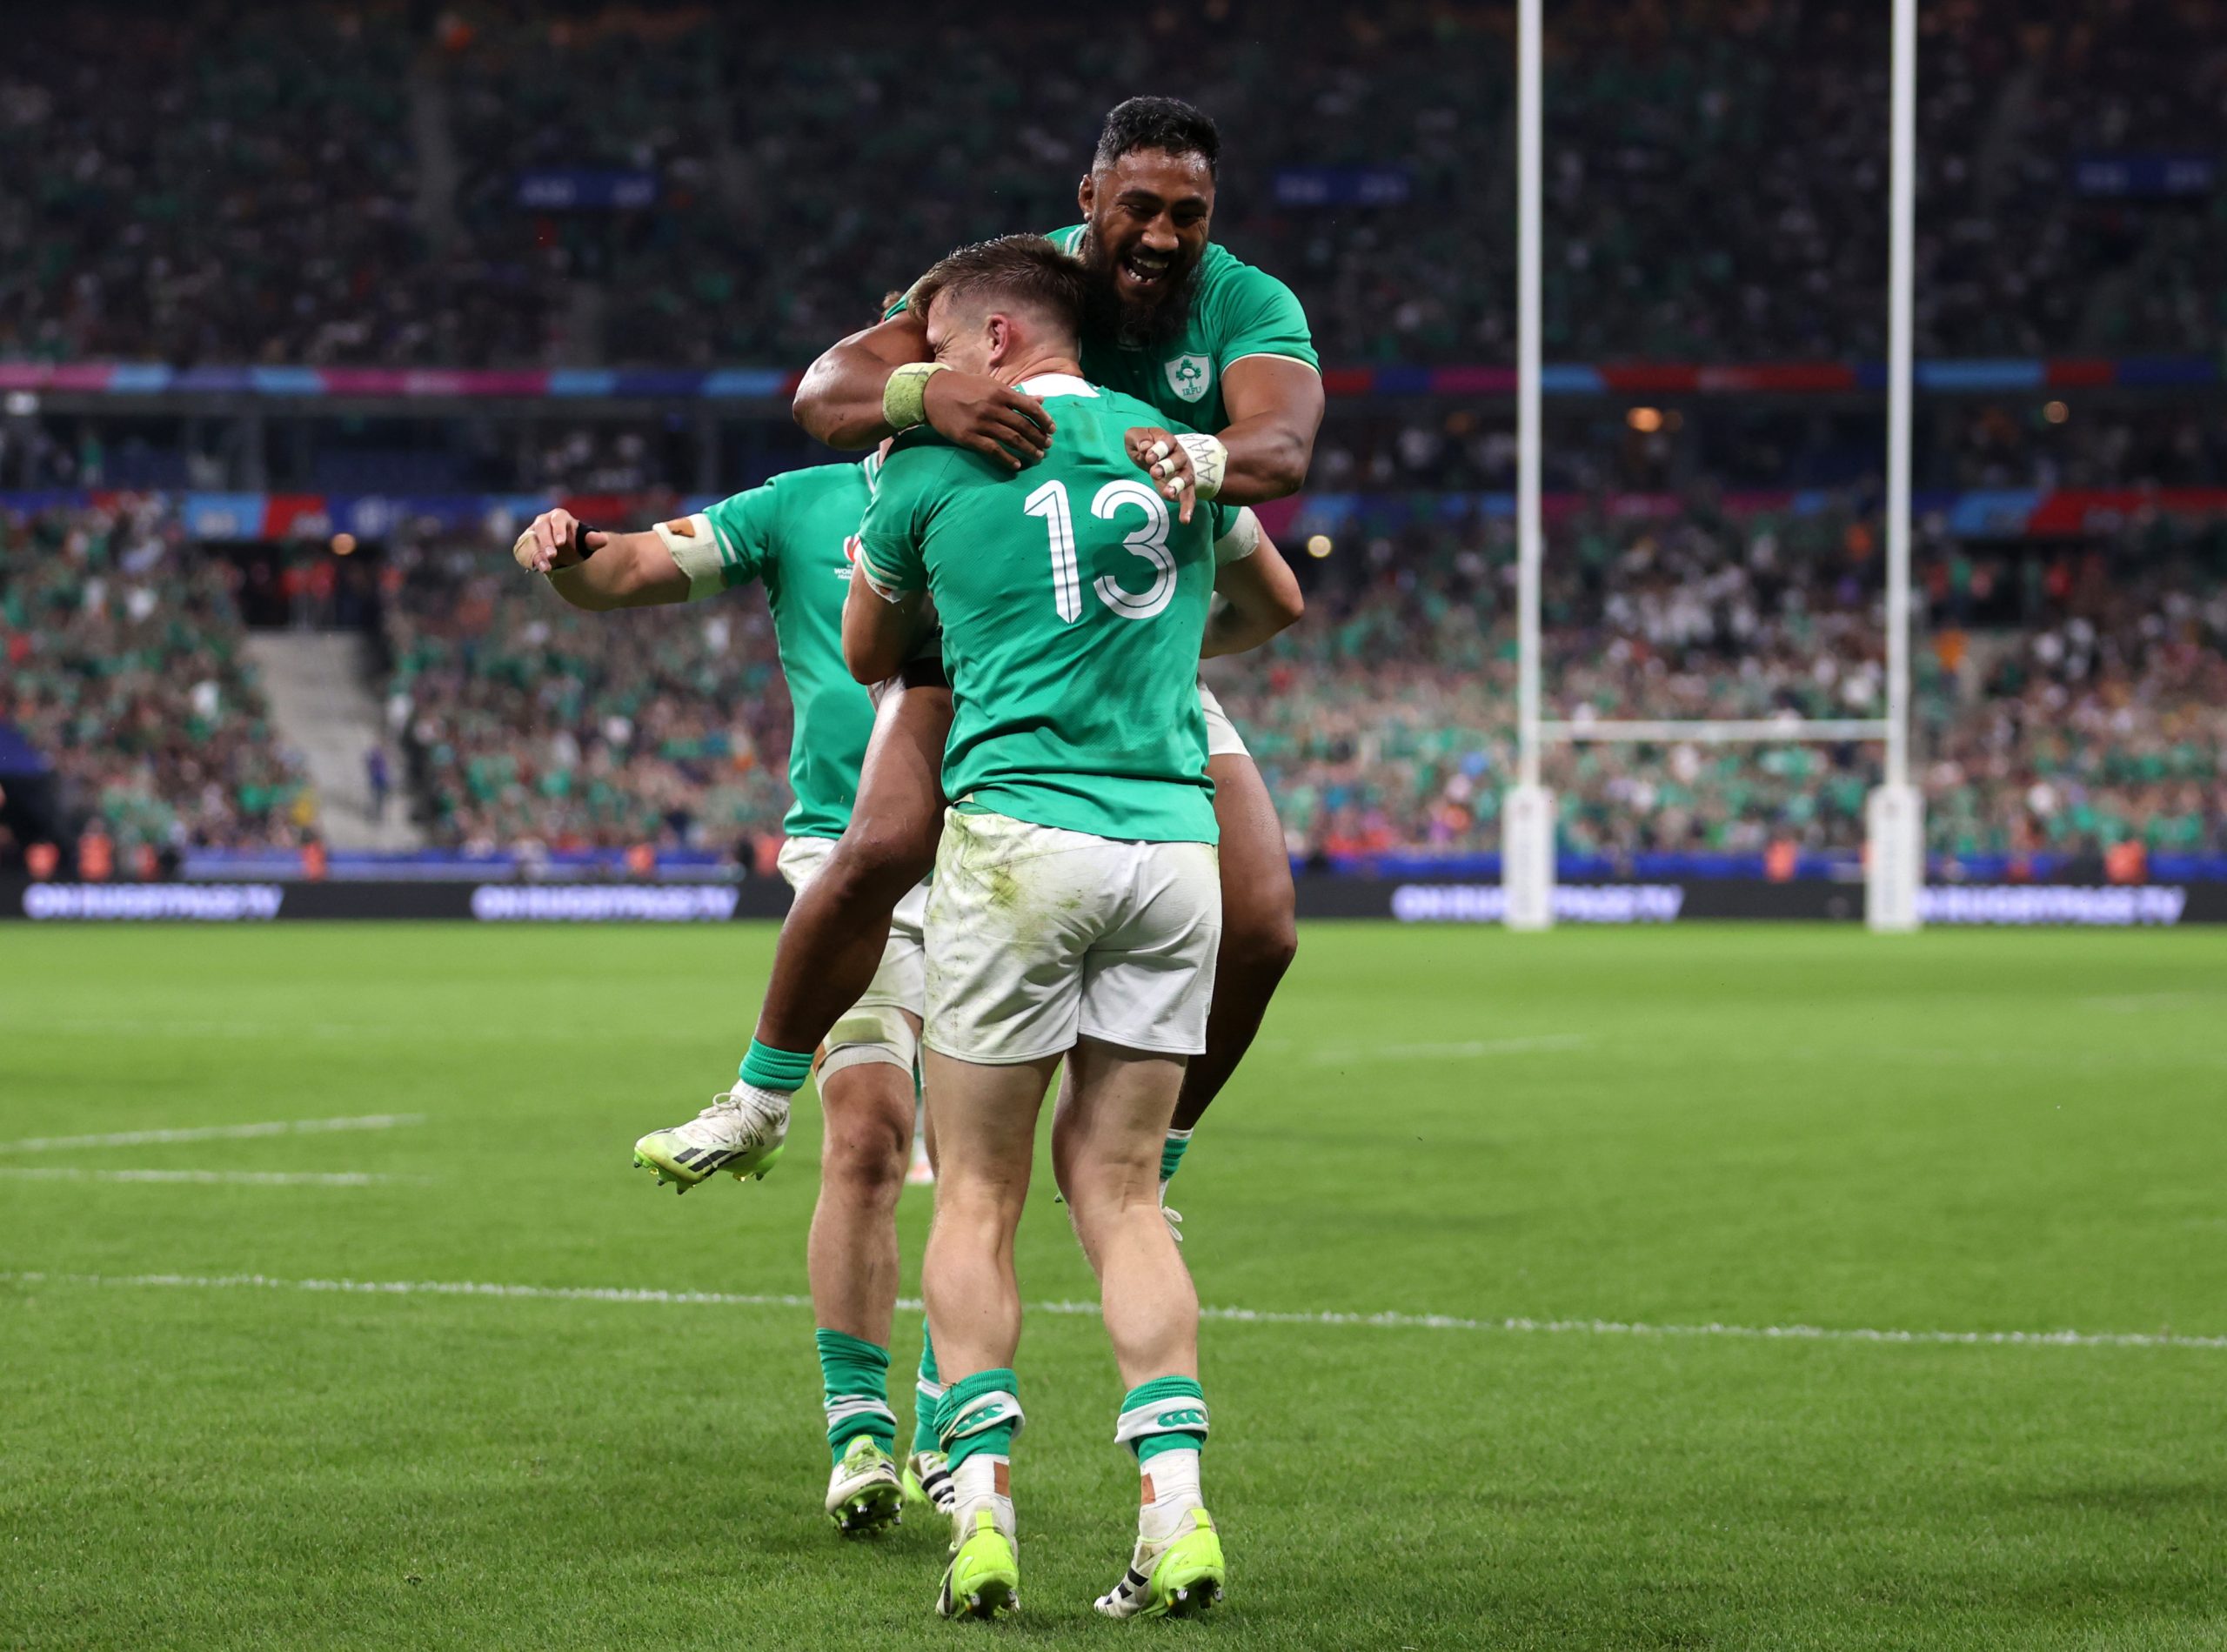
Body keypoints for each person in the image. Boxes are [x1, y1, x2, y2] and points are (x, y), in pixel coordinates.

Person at [650, 93, 1321, 1251]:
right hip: (973, 628)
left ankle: (1145, 1156)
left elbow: (1285, 445)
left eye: (1190, 216)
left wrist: (1202, 455)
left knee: (1262, 921)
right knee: (878, 848)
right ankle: (758, 1098)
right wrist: (930, 390)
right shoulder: (1004, 284)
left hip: (1119, 640)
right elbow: (824, 393)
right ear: (1089, 200)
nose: (1163, 236)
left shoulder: (1247, 303)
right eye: (1140, 208)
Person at [844, 234, 1241, 1622]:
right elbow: (1269, 601)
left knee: (976, 1192)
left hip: (1023, 838)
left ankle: (985, 1511)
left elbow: (866, 653)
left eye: (941, 347)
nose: (929, 375)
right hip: (1174, 844)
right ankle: (1177, 1511)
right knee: (1125, 1193)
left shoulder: (932, 463)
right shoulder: (1180, 448)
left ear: (1000, 340)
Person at [509, 445, 942, 1537]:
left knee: (982, 1161)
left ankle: (953, 1426)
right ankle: (858, 1432)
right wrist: (565, 556)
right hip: (848, 860)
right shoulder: (800, 503)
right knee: (871, 1137)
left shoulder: (1017, 492)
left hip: (1002, 842)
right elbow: (630, 570)